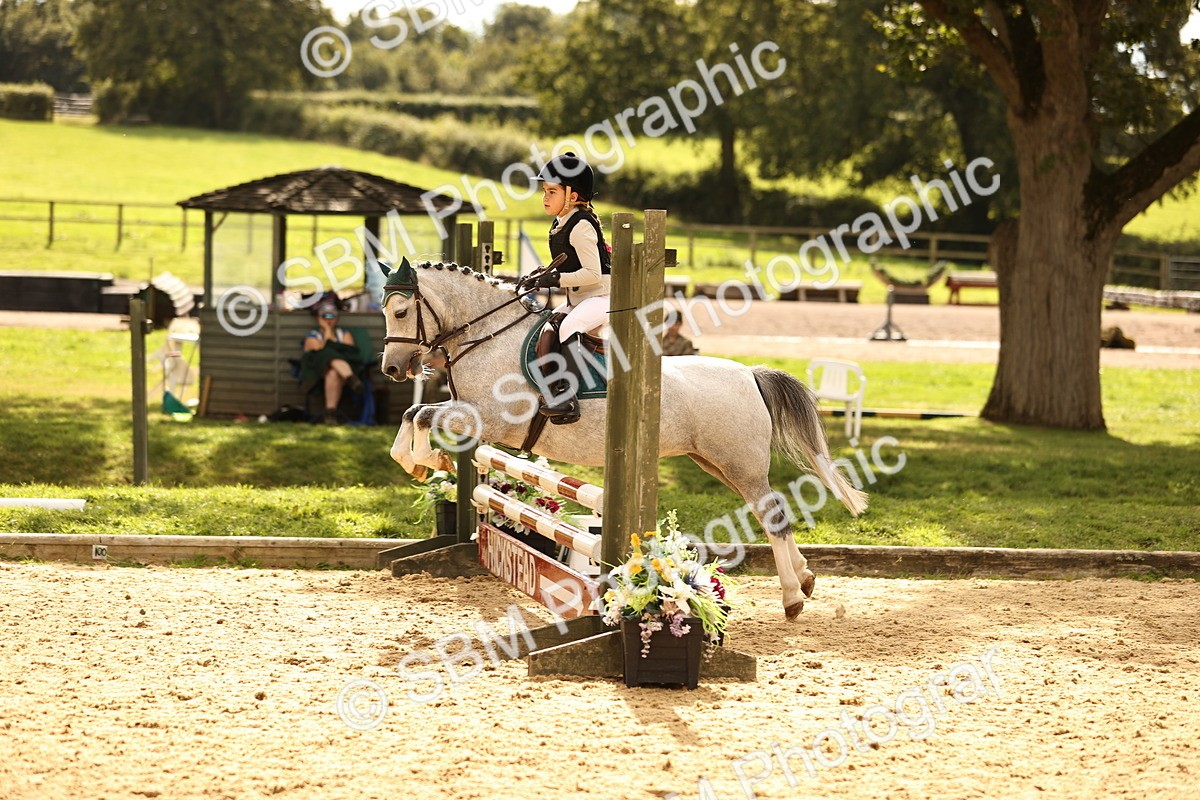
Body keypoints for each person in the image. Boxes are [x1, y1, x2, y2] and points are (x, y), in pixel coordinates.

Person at [519, 152, 611, 425]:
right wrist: (541, 276)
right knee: (547, 328)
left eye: (551, 191)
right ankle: (551, 389)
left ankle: (567, 397)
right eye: (544, 191)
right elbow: (566, 264)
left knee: (569, 327)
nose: (545, 197)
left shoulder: (581, 224)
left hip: (602, 296)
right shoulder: (561, 221)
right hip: (580, 298)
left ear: (572, 195)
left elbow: (593, 274)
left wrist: (556, 280)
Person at [300, 291, 364, 425]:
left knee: (333, 372)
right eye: (325, 316)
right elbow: (321, 354)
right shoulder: (312, 336)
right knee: (328, 354)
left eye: (332, 316)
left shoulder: (344, 333)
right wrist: (328, 332)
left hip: (337, 373)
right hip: (318, 372)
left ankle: (330, 413)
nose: (329, 320)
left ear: (337, 318)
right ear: (318, 318)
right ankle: (351, 378)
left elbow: (351, 353)